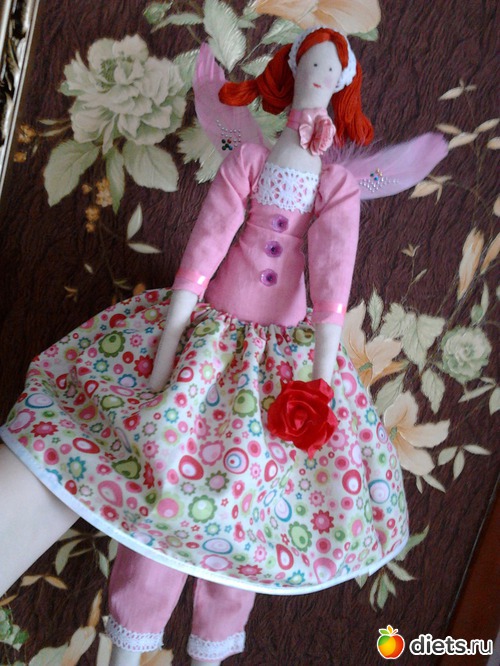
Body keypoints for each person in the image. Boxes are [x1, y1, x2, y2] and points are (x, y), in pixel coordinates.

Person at [0, 28, 412, 665]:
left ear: (342, 85)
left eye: (330, 72)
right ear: (290, 71)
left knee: (248, 510)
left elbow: (334, 281)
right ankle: (128, 643)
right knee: (164, 490)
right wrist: (172, 334)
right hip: (207, 341)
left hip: (280, 365)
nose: (318, 78)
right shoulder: (249, 161)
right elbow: (207, 245)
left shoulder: (336, 185)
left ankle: (212, 649)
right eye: (310, 65)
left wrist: (320, 381)